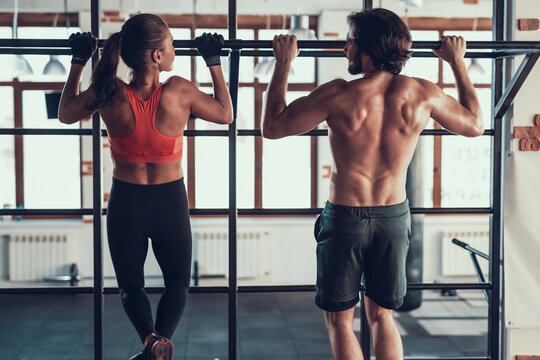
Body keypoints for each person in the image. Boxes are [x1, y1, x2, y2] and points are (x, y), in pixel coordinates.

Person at [262, 8, 483, 360]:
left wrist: (283, 63)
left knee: (339, 322)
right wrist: (457, 61)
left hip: (346, 217)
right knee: (382, 317)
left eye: (350, 42)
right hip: (392, 218)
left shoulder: (337, 94)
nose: (345, 48)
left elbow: (272, 127)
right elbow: (474, 124)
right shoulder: (422, 94)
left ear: (366, 49)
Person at [58, 14, 233, 360]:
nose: (174, 50)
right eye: (170, 44)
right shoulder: (180, 90)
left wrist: (79, 60)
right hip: (170, 201)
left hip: (126, 202)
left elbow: (66, 113)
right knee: (178, 284)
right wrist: (213, 61)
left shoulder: (109, 89)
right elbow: (226, 113)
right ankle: (161, 342)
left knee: (130, 286)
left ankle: (151, 342)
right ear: (156, 55)